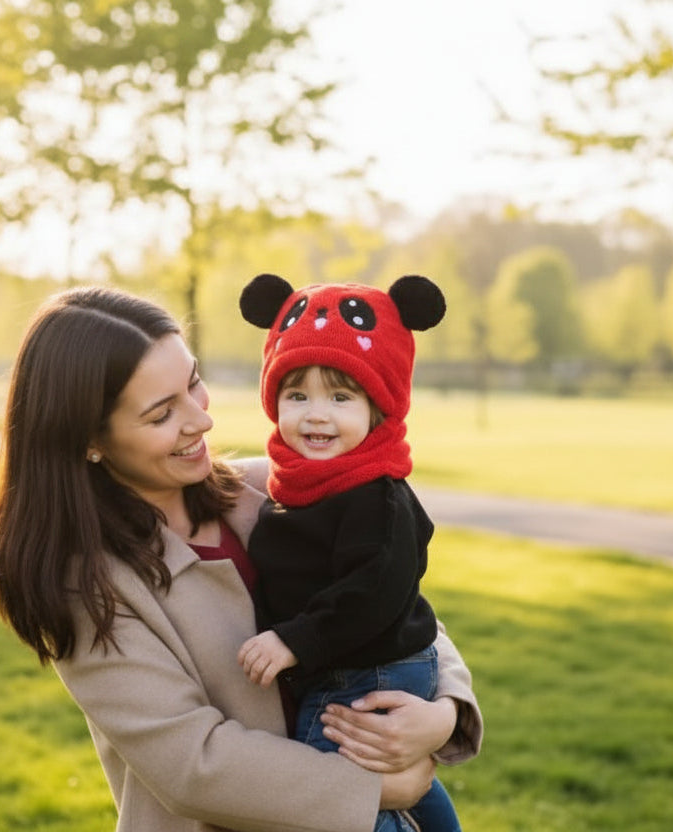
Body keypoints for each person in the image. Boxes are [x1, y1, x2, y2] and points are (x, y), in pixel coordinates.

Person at [0, 284, 482, 832]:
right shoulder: (89, 586)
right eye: (161, 414)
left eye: (194, 384)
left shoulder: (282, 488)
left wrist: (443, 715)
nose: (201, 421)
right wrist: (383, 788)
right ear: (88, 441)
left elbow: (396, 600)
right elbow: (192, 762)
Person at [238, 273, 473, 832]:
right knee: (394, 781)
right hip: (357, 663)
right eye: (297, 395)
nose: (316, 414)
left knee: (341, 800)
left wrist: (294, 638)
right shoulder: (297, 486)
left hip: (366, 673)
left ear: (379, 407)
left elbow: (373, 590)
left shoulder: (375, 496)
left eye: (341, 397)